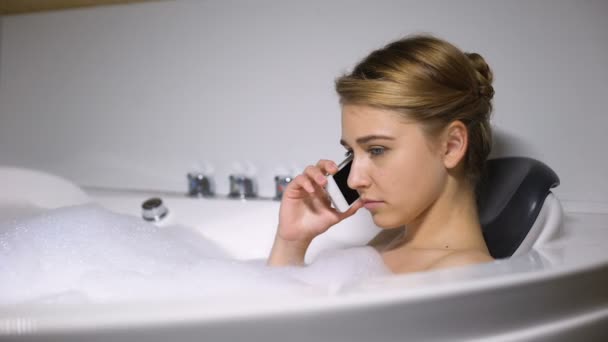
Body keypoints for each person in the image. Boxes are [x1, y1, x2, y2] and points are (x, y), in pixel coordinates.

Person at [268, 34, 495, 274]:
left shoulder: (461, 275)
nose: (354, 180)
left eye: (377, 150)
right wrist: (291, 243)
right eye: (351, 152)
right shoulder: (389, 242)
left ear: (451, 145)